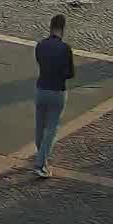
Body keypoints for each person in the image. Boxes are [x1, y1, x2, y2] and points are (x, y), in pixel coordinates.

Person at [33, 13, 76, 177]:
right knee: (51, 128)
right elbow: (70, 73)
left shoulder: (40, 45)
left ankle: (40, 156)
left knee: (39, 126)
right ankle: (40, 163)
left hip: (41, 89)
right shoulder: (65, 49)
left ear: (50, 27)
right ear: (63, 28)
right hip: (57, 91)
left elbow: (40, 63)